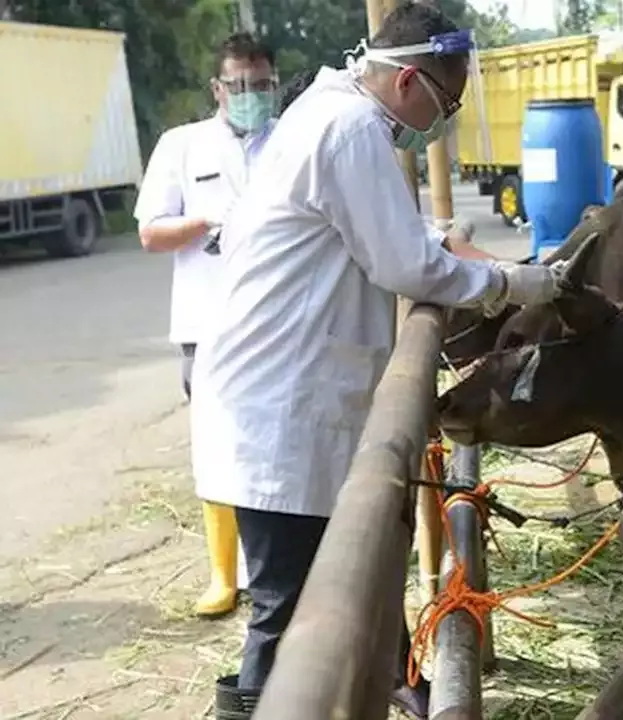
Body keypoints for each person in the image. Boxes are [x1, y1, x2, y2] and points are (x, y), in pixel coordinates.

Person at [188, 3, 563, 718]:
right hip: (279, 411)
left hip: (292, 399)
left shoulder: (330, 112)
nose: (441, 120)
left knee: (354, 582)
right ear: (408, 80)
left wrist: (443, 235)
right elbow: (404, 264)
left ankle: (403, 687)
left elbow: (375, 224)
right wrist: (511, 284)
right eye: (444, 102)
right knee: (291, 610)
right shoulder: (350, 126)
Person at [132, 31, 280, 621]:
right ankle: (225, 574)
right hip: (207, 326)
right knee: (218, 449)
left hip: (277, 325)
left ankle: (271, 562)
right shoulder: (182, 146)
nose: (252, 95)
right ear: (218, 89)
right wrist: (207, 219)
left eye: (262, 85)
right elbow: (149, 233)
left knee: (275, 447)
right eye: (239, 85)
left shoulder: (291, 143)